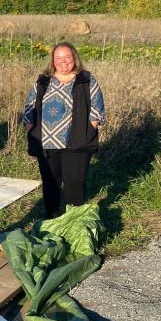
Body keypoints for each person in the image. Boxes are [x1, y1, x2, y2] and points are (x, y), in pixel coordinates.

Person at [23, 41, 105, 219]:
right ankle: (52, 219)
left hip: (76, 142)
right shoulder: (42, 82)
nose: (63, 61)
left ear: (74, 58)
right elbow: (29, 107)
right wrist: (31, 131)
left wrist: (86, 132)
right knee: (50, 184)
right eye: (58, 58)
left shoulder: (86, 80)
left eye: (67, 57)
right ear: (53, 61)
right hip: (46, 143)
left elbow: (97, 111)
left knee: (74, 183)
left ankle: (75, 221)